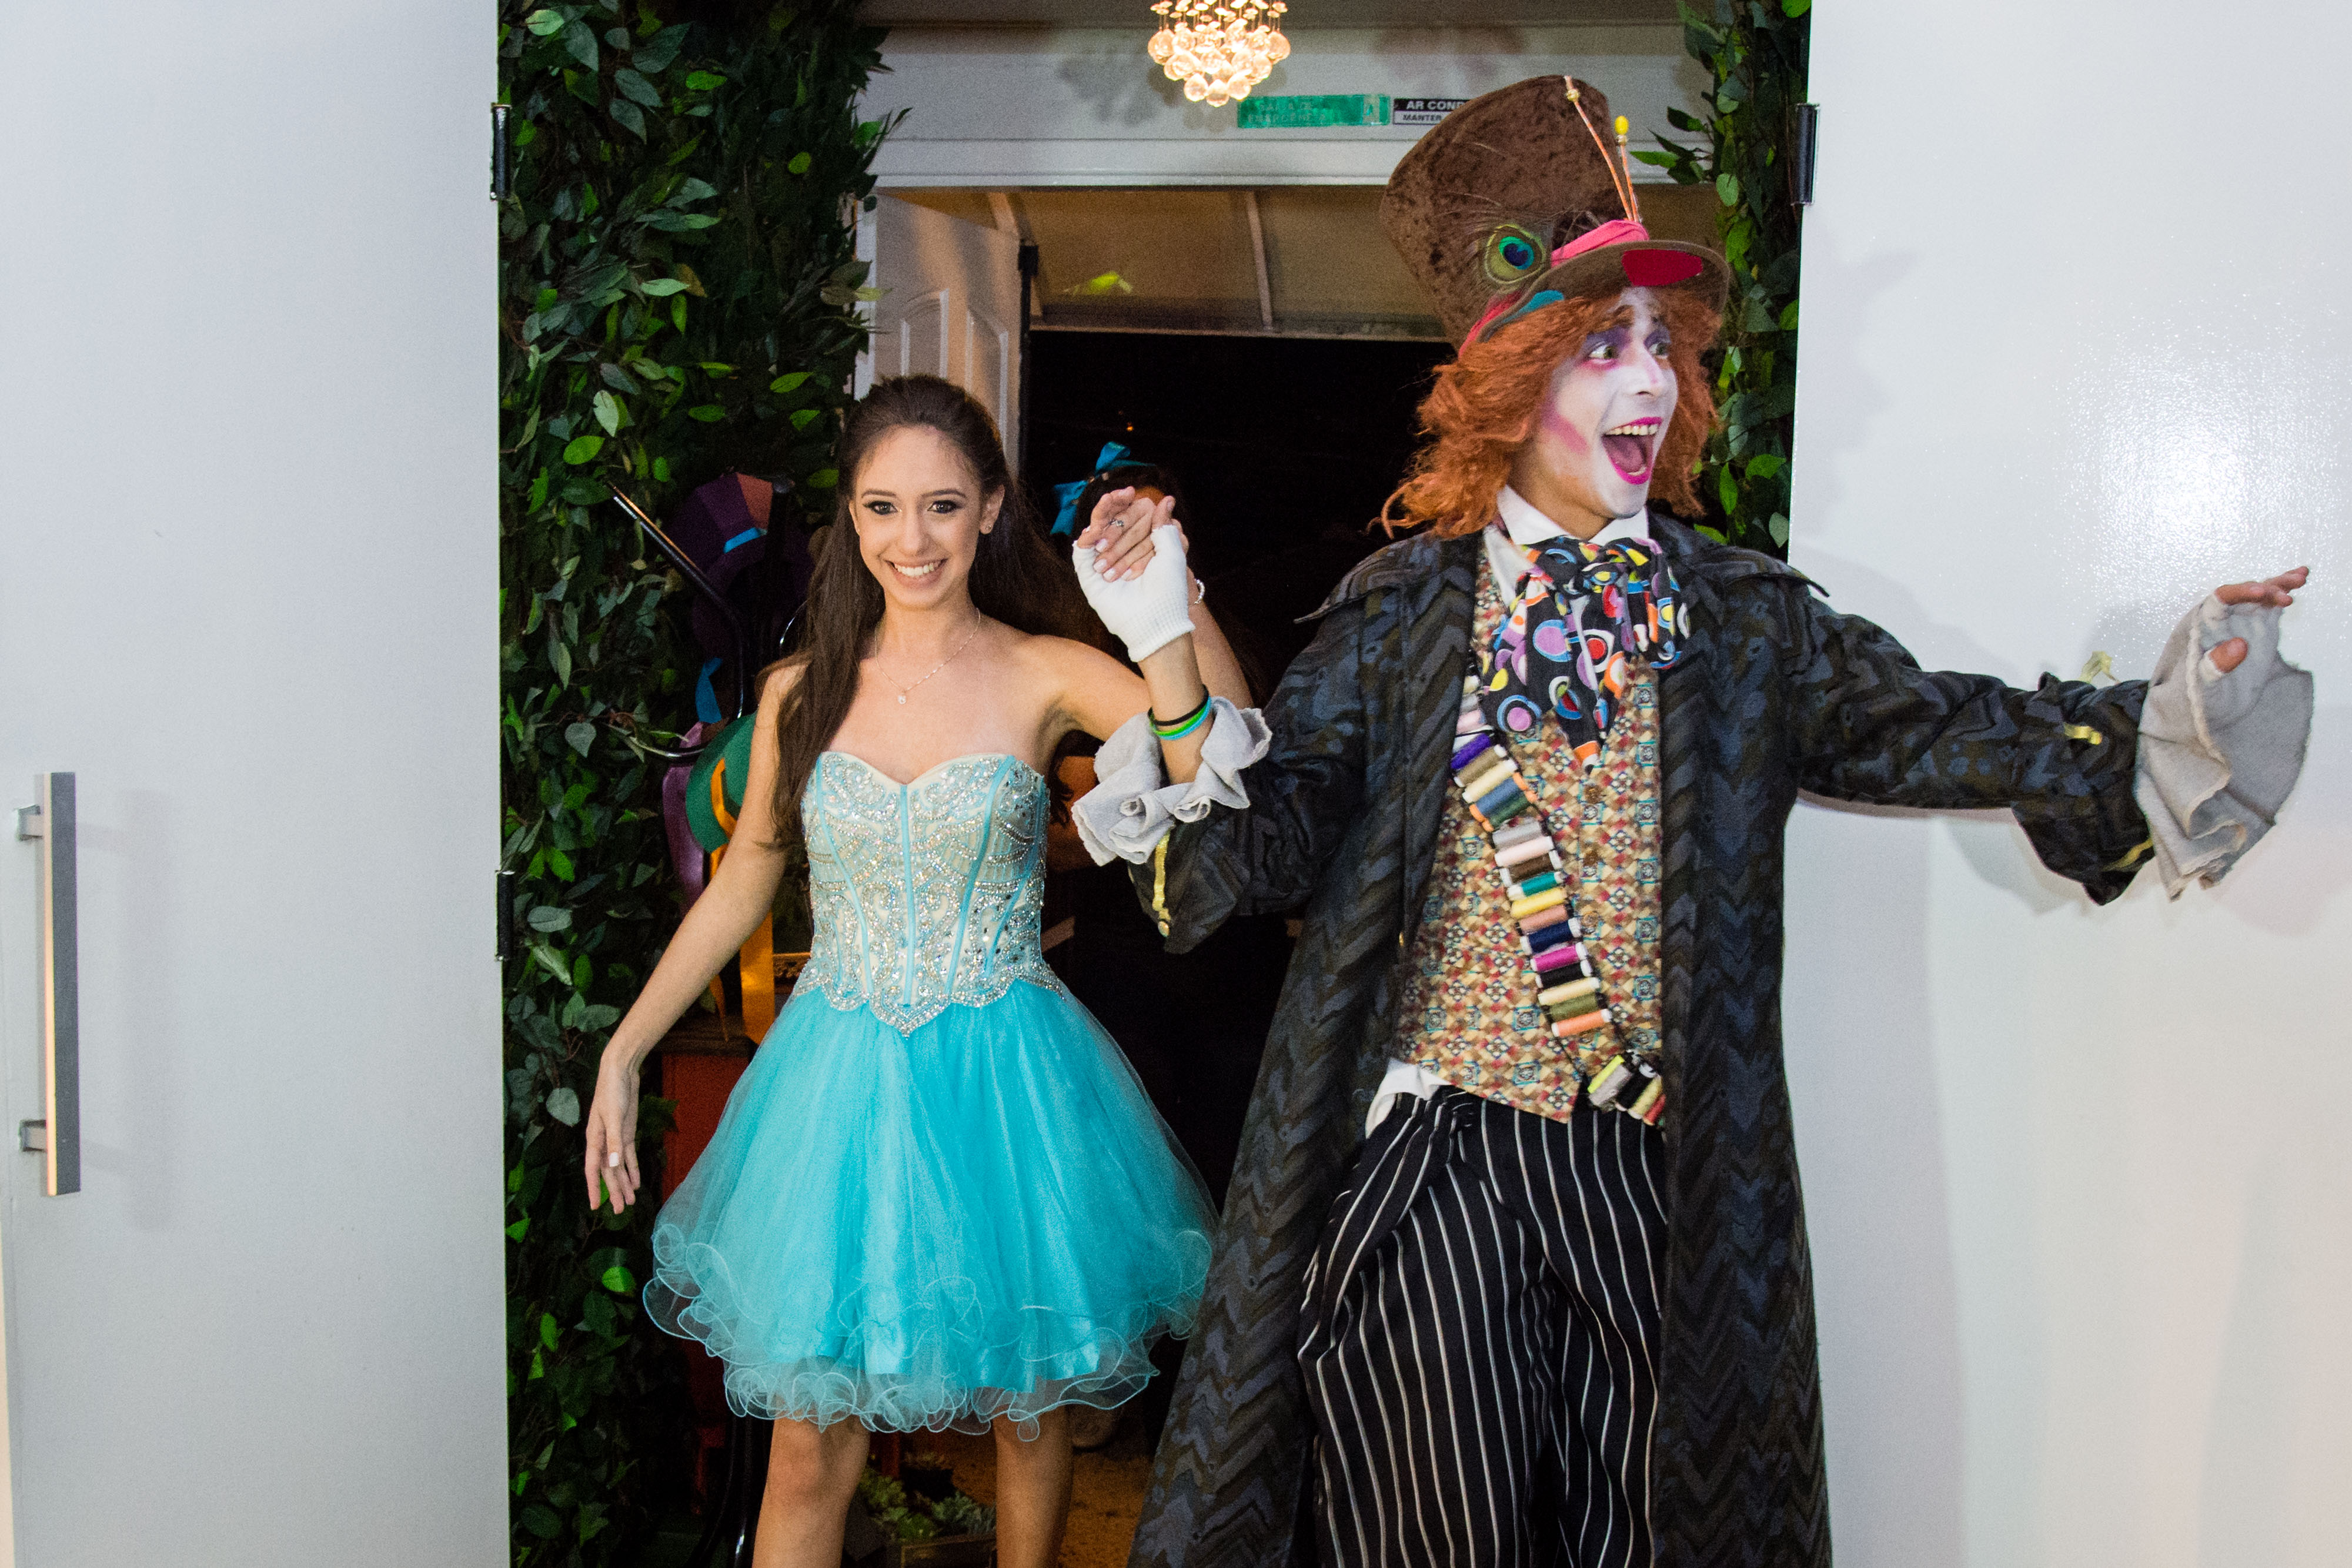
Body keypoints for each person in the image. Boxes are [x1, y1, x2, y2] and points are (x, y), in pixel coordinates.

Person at [1068, 76, 2314, 1568]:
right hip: (1434, 1167)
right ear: (1509, 380)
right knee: (1427, 1532)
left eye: (1660, 342)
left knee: (1650, 1535)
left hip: (1653, 1180)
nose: (1646, 380)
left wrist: (2179, 701)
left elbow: (1940, 726)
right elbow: (1246, 859)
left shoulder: (1738, 620)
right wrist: (1161, 639)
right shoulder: (1399, 616)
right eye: (1602, 345)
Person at [579, 373, 1253, 1568]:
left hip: (1012, 1080)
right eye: (883, 507)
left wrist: (1172, 600)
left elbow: (1222, 761)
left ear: (989, 509)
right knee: (807, 1446)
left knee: (1032, 1414)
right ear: (850, 516)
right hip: (837, 1088)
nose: (913, 538)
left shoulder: (1047, 670)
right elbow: (744, 878)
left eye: (942, 505)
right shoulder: (800, 692)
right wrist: (625, 1048)